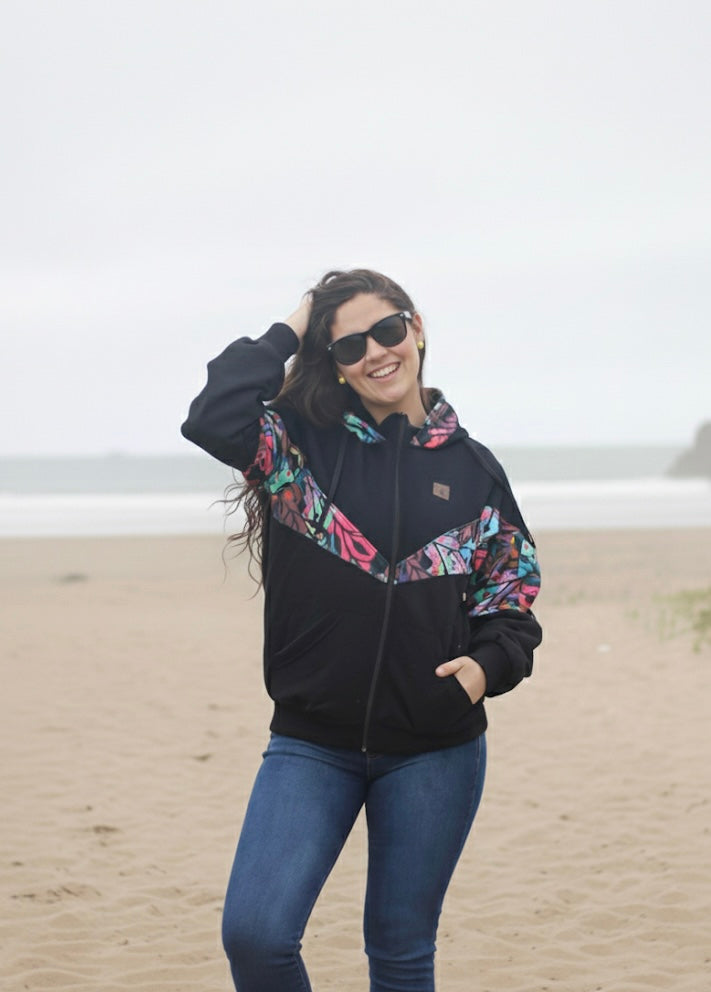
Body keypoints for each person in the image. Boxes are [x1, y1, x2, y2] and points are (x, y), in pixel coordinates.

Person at [181, 269, 542, 992]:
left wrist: (483, 669)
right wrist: (293, 325)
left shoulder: (474, 471)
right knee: (255, 936)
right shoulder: (294, 451)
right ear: (334, 364)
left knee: (401, 951)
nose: (375, 352)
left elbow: (511, 597)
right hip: (311, 743)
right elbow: (214, 414)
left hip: (435, 749)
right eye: (349, 345)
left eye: (386, 330)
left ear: (416, 329)